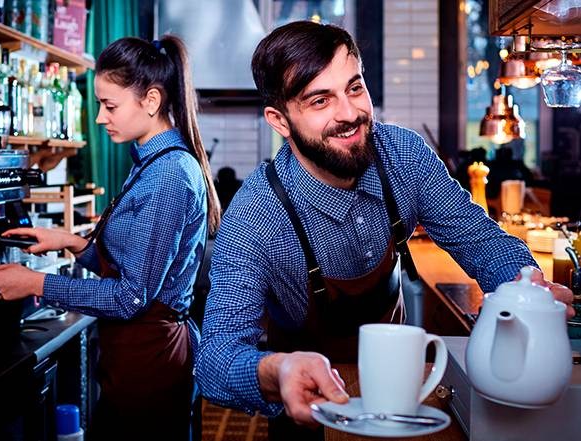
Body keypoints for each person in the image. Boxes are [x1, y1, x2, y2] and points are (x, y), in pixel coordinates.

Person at [194, 21, 573, 441]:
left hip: (399, 390)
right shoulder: (255, 217)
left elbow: (481, 241)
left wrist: (526, 284)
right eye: (321, 100)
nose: (350, 114)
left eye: (354, 88)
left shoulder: (404, 156)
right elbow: (215, 359)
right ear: (279, 120)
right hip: (308, 403)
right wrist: (277, 368)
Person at [0, 35, 220, 441]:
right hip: (137, 361)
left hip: (153, 364)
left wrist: (34, 283)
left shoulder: (168, 176)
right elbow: (135, 264)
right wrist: (71, 242)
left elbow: (131, 297)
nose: (99, 118)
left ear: (150, 100)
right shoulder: (151, 162)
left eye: (109, 105)